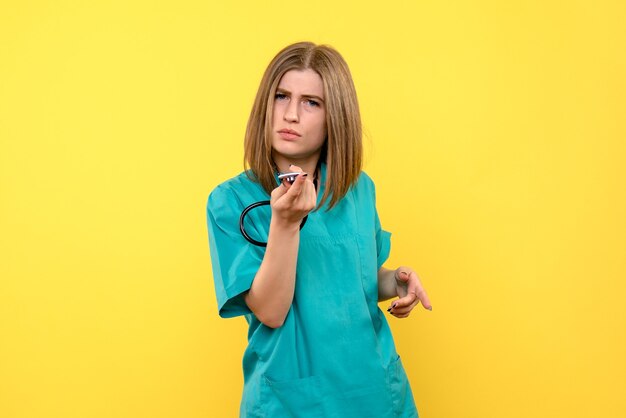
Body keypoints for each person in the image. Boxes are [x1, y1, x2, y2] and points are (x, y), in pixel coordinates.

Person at [206, 41, 432, 418]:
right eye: (281, 96)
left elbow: (354, 276)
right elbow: (271, 311)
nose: (291, 114)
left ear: (335, 118)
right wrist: (286, 223)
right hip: (291, 401)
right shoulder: (230, 201)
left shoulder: (358, 189)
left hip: (374, 393)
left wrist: (395, 281)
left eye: (312, 102)